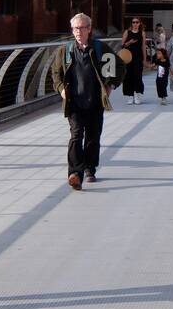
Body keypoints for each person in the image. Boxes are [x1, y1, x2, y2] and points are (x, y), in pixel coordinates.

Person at [50, 12, 119, 190]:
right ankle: (74, 173)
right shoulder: (65, 51)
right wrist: (60, 89)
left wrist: (110, 85)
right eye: (75, 28)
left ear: (89, 29)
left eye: (81, 28)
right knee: (76, 136)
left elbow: (119, 67)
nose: (78, 31)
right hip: (74, 103)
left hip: (95, 102)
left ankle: (90, 169)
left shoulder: (100, 49)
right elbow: (55, 74)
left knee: (92, 138)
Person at [119, 17, 147, 105]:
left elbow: (143, 47)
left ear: (139, 23)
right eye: (133, 22)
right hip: (128, 57)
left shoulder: (142, 33)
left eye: (137, 22)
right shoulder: (127, 32)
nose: (135, 24)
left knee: (137, 75)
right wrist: (129, 42)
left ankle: (137, 94)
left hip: (138, 57)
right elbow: (122, 45)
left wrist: (145, 59)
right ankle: (130, 95)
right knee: (128, 76)